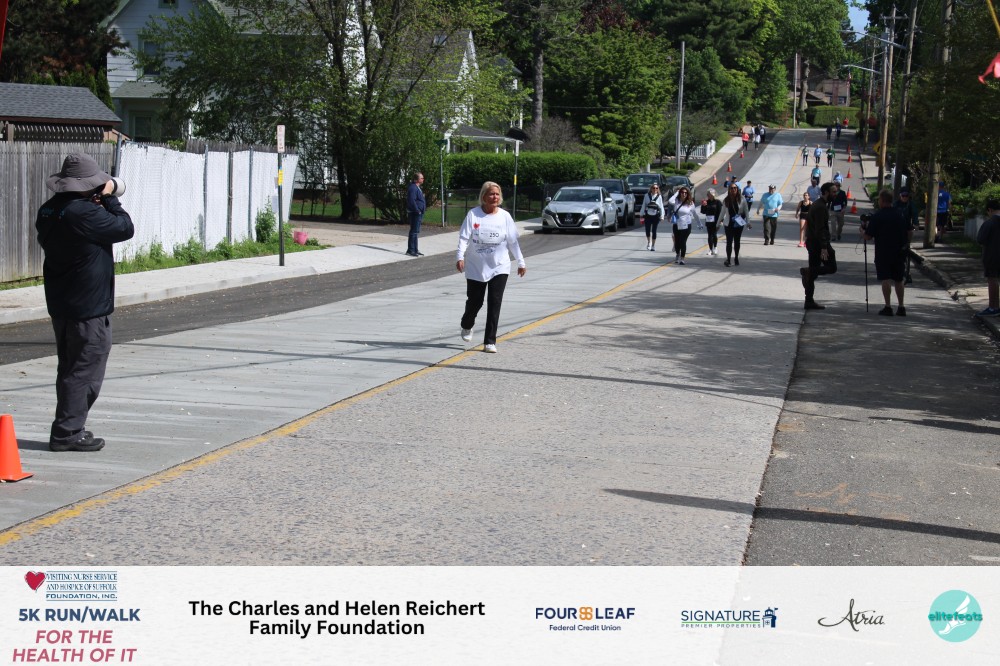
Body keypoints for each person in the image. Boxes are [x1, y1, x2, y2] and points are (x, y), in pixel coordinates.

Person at [35, 154, 135, 452]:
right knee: (85, 369)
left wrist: (96, 199)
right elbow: (124, 227)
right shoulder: (83, 213)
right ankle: (67, 432)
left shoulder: (49, 210)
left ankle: (67, 426)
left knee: (69, 368)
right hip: (88, 306)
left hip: (62, 301)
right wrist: (110, 197)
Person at [455, 182, 526, 353]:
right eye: (491, 194)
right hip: (476, 266)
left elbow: (513, 242)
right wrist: (460, 257)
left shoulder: (505, 216)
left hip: (499, 266)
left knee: (495, 302)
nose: (494, 197)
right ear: (484, 196)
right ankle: (467, 324)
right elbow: (464, 238)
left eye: (497, 194)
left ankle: (490, 341)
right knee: (475, 302)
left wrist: (521, 262)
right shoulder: (474, 215)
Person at [862, 190, 912, 316]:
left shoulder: (878, 216)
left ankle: (888, 306)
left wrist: (862, 230)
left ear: (882, 200)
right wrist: (906, 243)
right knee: (899, 279)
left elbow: (868, 236)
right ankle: (901, 306)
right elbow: (910, 231)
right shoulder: (900, 214)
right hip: (899, 251)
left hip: (883, 251)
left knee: (886, 278)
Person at [800, 182, 836, 310]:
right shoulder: (820, 207)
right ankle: (808, 271)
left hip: (813, 242)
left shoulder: (819, 204)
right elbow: (820, 229)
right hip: (818, 243)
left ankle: (809, 301)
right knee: (832, 267)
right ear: (826, 192)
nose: (835, 194)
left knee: (812, 273)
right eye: (833, 192)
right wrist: (824, 247)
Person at [975, 199, 1000, 317]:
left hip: (992, 256)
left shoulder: (989, 223)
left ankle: (993, 307)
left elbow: (980, 240)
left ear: (990, 210)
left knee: (992, 280)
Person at [719, 183, 750, 267]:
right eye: (732, 188)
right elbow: (722, 213)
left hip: (738, 223)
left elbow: (746, 211)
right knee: (729, 242)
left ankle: (736, 257)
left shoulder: (742, 199)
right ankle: (728, 259)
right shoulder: (726, 200)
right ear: (729, 189)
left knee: (737, 241)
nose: (733, 189)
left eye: (735, 188)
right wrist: (718, 224)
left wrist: (748, 222)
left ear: (737, 189)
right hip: (728, 223)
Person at [894, 188, 921, 284]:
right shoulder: (896, 204)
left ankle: (907, 272)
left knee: (906, 251)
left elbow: (915, 214)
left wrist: (916, 224)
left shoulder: (910, 204)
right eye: (903, 195)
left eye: (906, 196)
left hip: (906, 229)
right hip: (896, 229)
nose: (905, 197)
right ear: (900, 196)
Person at [668, 186, 700, 264]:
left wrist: (699, 223)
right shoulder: (676, 201)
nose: (684, 194)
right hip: (677, 224)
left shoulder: (690, 203)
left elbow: (695, 214)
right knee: (677, 241)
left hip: (686, 225)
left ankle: (682, 258)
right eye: (682, 192)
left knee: (683, 241)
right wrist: (677, 193)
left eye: (685, 193)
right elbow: (670, 201)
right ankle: (677, 254)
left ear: (687, 194)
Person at [639, 183, 665, 251]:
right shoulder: (646, 195)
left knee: (654, 231)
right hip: (648, 215)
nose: (655, 189)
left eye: (656, 188)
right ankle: (649, 242)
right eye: (653, 188)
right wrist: (641, 214)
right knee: (647, 230)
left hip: (656, 216)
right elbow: (644, 205)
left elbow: (661, 207)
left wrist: (662, 216)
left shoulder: (659, 196)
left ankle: (653, 245)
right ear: (651, 189)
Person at [405, 172, 426, 257]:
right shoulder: (413, 188)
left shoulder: (417, 187)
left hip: (418, 213)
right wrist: (417, 210)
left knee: (416, 232)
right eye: (421, 178)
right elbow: (411, 200)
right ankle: (410, 250)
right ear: (416, 179)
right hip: (415, 213)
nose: (423, 179)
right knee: (413, 231)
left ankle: (415, 249)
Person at [701, 188, 723, 256]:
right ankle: (710, 249)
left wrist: (721, 221)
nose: (709, 195)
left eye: (711, 194)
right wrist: (703, 205)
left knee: (714, 234)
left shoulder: (718, 202)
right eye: (708, 194)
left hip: (716, 221)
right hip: (709, 221)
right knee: (709, 235)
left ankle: (715, 247)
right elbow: (703, 211)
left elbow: (720, 212)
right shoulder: (706, 202)